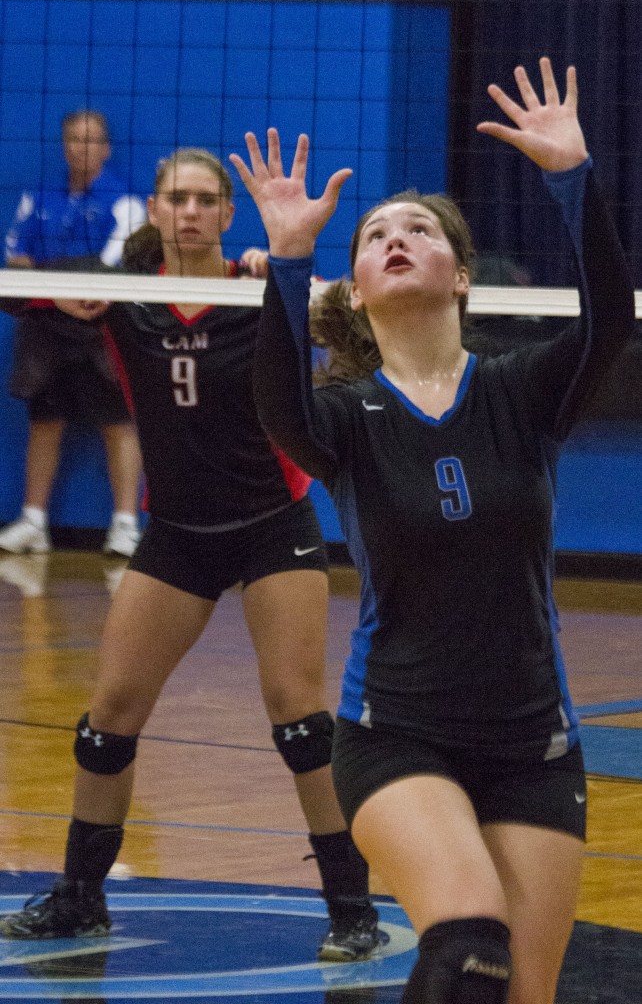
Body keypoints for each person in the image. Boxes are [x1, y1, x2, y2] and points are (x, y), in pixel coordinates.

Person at [229, 58, 635, 1003]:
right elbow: (278, 407)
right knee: (466, 953)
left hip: (535, 743)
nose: (398, 238)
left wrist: (572, 178)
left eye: (421, 230)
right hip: (397, 735)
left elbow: (608, 319)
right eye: (376, 236)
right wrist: (289, 260)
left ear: (461, 278)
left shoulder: (523, 393)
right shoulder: (342, 415)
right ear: (360, 289)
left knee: (521, 993)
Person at [0, 147, 383, 963]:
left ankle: (351, 906)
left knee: (300, 723)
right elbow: (25, 287)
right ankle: (79, 897)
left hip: (273, 524)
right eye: (177, 198)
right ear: (156, 210)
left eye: (207, 200)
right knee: (107, 725)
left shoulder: (259, 294)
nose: (191, 212)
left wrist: (287, 264)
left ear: (227, 214)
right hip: (175, 532)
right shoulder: (127, 303)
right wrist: (62, 289)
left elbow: (348, 325)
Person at [0, 110, 147, 557]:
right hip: (46, 325)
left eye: (90, 141)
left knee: (119, 423)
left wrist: (58, 283)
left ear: (105, 148)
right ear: (64, 146)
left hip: (103, 326)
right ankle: (33, 522)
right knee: (44, 421)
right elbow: (16, 264)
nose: (80, 149)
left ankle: (124, 525)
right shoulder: (38, 198)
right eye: (73, 140)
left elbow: (109, 269)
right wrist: (58, 291)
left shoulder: (125, 202)